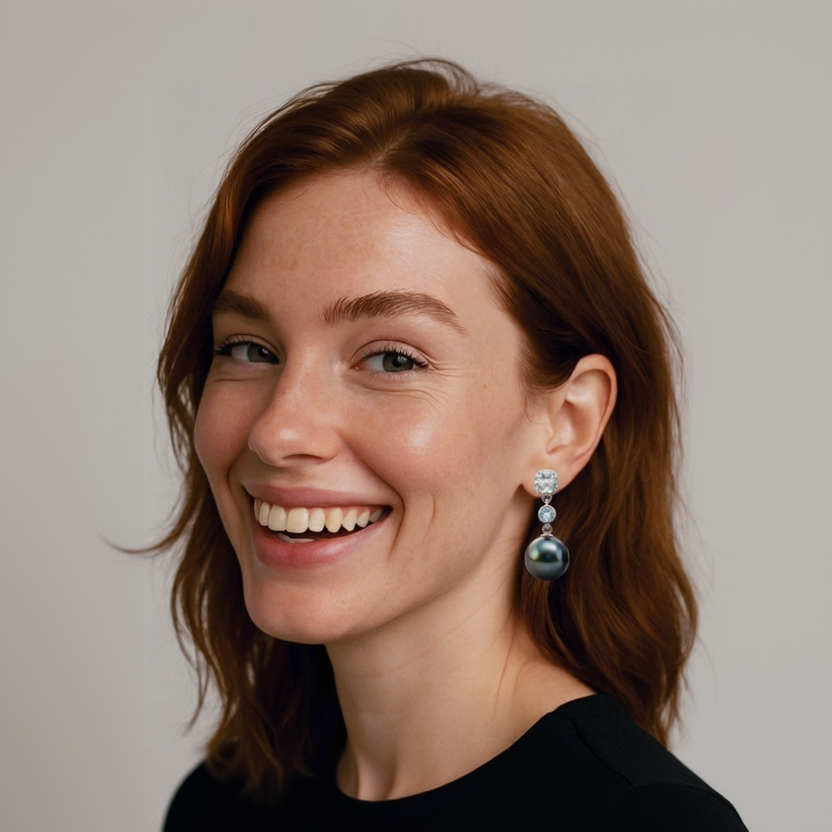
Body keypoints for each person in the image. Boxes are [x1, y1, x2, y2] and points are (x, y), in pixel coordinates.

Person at [158, 59, 747, 830]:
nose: (278, 430)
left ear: (565, 425)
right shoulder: (219, 807)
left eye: (392, 360)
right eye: (249, 348)